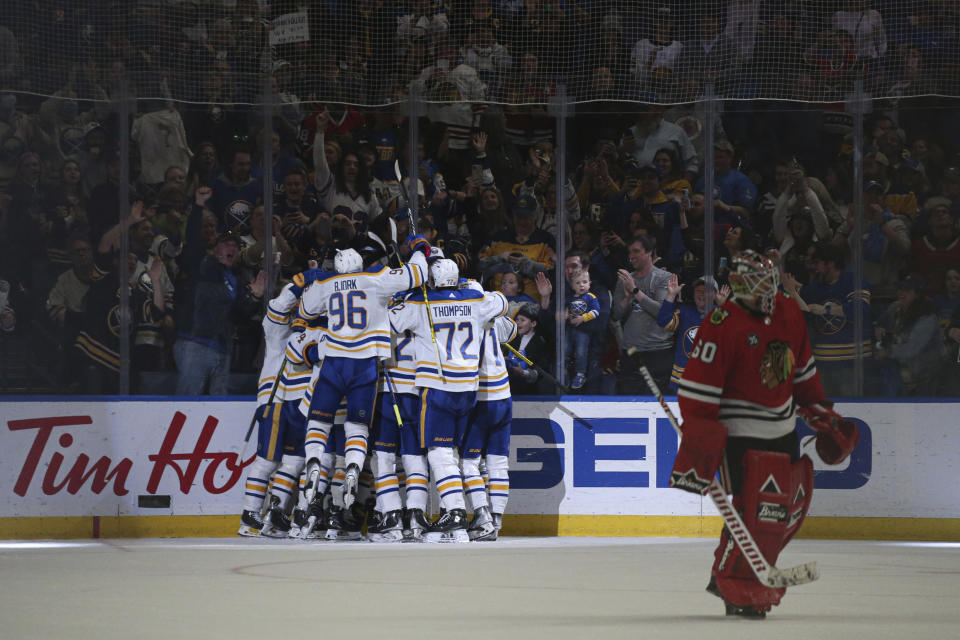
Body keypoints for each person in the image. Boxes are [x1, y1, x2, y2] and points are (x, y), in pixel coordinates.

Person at [669, 249, 857, 617]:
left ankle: (726, 572)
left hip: (783, 427)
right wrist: (701, 437)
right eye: (758, 282)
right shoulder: (722, 322)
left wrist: (819, 411)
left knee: (779, 512)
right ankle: (740, 587)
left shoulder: (788, 311)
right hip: (739, 432)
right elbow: (697, 389)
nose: (768, 289)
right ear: (738, 284)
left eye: (770, 281)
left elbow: (801, 370)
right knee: (755, 512)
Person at [298, 241, 427, 515]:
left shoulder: (326, 284)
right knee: (357, 427)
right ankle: (354, 467)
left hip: (334, 362)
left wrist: (316, 285)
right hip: (365, 365)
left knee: (318, 420)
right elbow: (417, 274)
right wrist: (420, 249)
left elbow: (305, 312)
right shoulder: (376, 277)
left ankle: (312, 462)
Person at [389, 258, 508, 542]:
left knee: (439, 453)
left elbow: (392, 321)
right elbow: (502, 302)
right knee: (459, 454)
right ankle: (480, 515)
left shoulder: (421, 302)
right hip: (469, 389)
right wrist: (474, 291)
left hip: (438, 388)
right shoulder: (476, 299)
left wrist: (412, 292)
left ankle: (455, 512)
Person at [238, 281, 316, 537]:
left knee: (296, 461)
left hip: (297, 403)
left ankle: (276, 514)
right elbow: (279, 305)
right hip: (274, 401)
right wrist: (299, 283)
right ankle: (249, 516)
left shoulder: (309, 325)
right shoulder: (276, 326)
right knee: (267, 460)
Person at [793, 243, 873, 397]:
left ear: (830, 264)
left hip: (851, 365)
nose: (814, 268)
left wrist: (827, 310)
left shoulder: (852, 279)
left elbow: (861, 309)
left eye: (817, 263)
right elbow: (797, 295)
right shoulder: (817, 286)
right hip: (822, 366)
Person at [613, 235, 673, 394]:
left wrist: (635, 291)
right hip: (631, 352)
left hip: (657, 352)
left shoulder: (664, 278)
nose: (631, 256)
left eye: (636, 251)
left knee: (656, 406)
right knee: (628, 406)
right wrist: (627, 297)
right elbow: (616, 315)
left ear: (649, 253)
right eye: (629, 252)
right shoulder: (625, 279)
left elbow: (661, 313)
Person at [873, 276, 943, 396]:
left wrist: (887, 352)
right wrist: (878, 328)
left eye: (907, 290)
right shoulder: (894, 307)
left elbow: (912, 349)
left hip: (923, 375)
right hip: (900, 367)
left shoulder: (927, 316)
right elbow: (879, 323)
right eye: (900, 288)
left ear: (917, 294)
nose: (901, 292)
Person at [565, 269, 600, 390]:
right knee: (564, 349)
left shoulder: (591, 297)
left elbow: (596, 312)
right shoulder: (569, 298)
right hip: (569, 329)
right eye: (578, 283)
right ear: (572, 286)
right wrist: (566, 316)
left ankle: (580, 374)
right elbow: (566, 312)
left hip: (584, 330)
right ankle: (563, 372)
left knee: (581, 351)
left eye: (584, 282)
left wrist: (583, 318)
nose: (581, 285)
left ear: (589, 283)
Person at [506, 304, 552, 395]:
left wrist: (524, 373)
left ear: (533, 323)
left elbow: (542, 371)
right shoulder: (512, 340)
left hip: (531, 392)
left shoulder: (541, 343)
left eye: (522, 320)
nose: (518, 322)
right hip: (511, 389)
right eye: (517, 319)